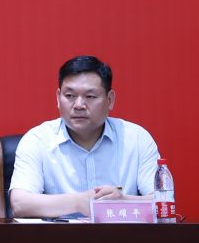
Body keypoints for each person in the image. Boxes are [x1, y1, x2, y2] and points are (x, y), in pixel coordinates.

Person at [9, 55, 159, 219]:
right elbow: (19, 204)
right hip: (59, 235)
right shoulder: (37, 140)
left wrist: (124, 201)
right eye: (70, 96)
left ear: (110, 100)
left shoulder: (137, 139)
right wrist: (77, 202)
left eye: (90, 97)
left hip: (121, 235)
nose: (79, 105)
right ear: (58, 98)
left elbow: (164, 202)